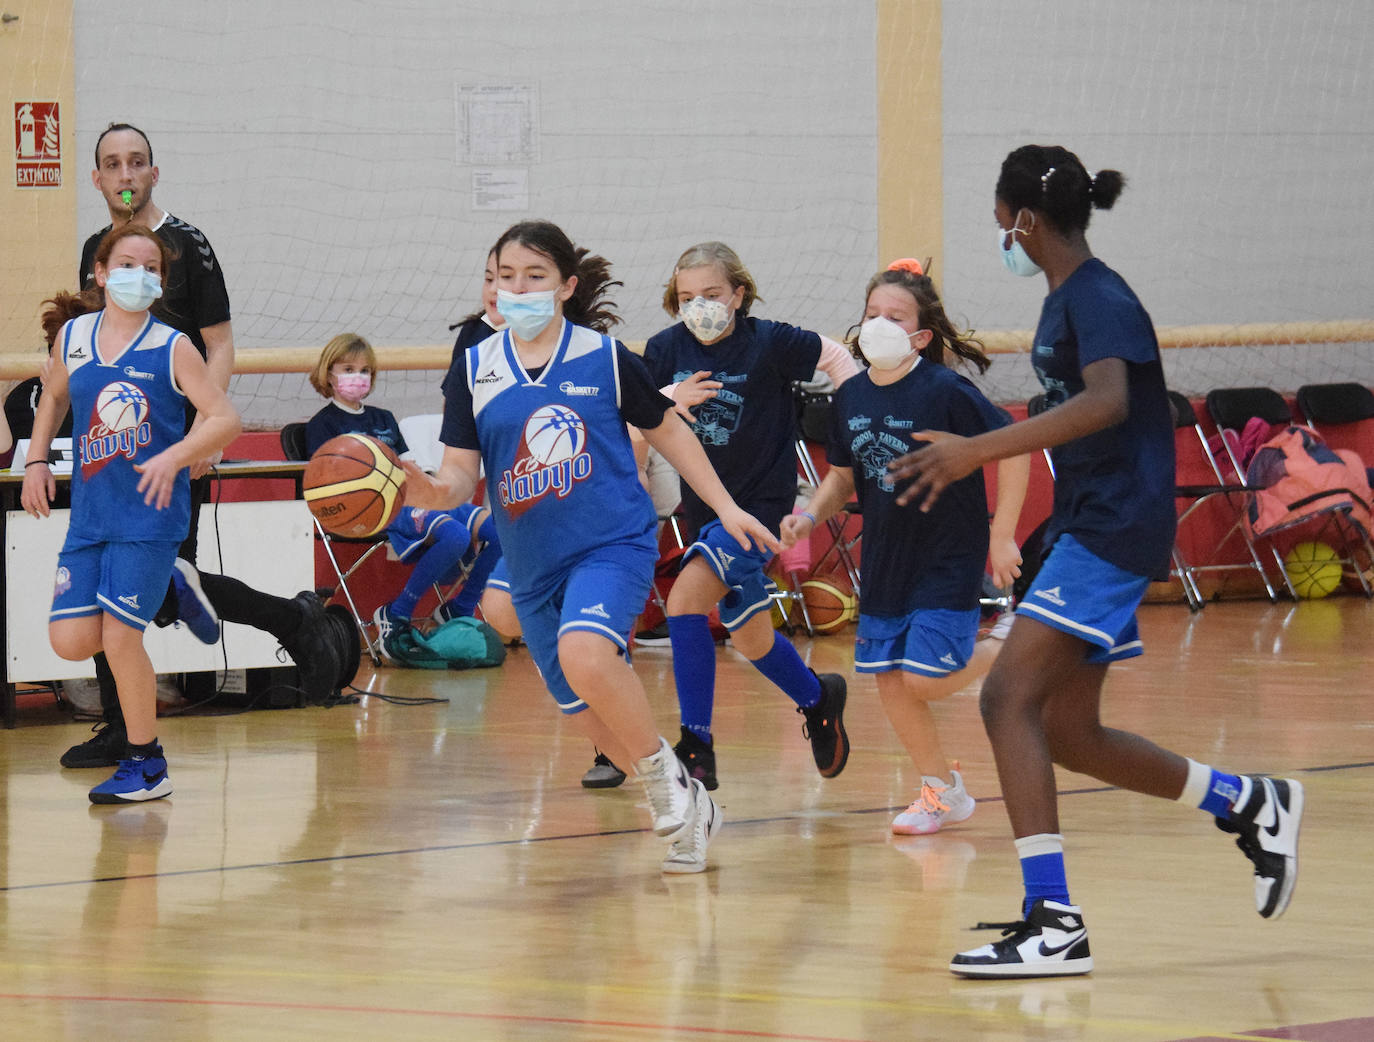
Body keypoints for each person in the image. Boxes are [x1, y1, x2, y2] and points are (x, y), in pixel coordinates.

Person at [887, 145, 1304, 978]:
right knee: (1070, 732)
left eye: (1001, 219)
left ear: (1026, 220)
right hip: (1086, 521)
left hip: (1113, 526)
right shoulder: (1067, 298)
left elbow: (1109, 403)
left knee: (1007, 700)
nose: (999, 232)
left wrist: (979, 451)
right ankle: (1250, 802)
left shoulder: (1100, 297)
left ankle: (1053, 923)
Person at [409, 220, 780, 873]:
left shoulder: (603, 358)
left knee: (586, 652)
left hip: (612, 541)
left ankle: (669, 784)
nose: (516, 290)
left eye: (534, 276)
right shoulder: (474, 366)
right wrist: (431, 492)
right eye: (503, 277)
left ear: (566, 285)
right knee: (590, 714)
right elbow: (461, 475)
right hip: (532, 564)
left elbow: (667, 430)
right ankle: (693, 802)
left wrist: (725, 507)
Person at [63, 123, 344, 771]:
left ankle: (292, 620)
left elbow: (220, 343)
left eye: (137, 162)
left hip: (177, 449)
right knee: (128, 586)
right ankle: (119, 727)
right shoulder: (93, 252)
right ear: (99, 179)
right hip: (116, 453)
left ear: (153, 174)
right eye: (112, 164)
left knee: (157, 589)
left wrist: (202, 434)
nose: (126, 174)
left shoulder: (188, 246)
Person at [780, 258, 1029, 836]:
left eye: (896, 316)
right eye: (872, 314)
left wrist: (1002, 533)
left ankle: (1009, 648)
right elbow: (842, 479)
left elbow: (1014, 449)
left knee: (921, 679)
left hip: (947, 554)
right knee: (890, 681)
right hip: (886, 558)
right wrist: (807, 517)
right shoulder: (850, 398)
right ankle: (942, 791)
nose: (879, 325)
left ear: (920, 334)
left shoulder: (945, 390)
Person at [22, 223, 242, 802]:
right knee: (70, 641)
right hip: (92, 517)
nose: (139, 276)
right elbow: (55, 398)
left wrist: (174, 456)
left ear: (162, 281)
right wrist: (37, 461)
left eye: (152, 268)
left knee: (121, 639)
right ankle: (171, 589)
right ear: (100, 272)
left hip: (151, 515)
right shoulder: (73, 336)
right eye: (127, 264)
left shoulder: (172, 345)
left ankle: (147, 765)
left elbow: (224, 419)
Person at [640, 241, 860, 790]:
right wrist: (670, 395)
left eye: (711, 294)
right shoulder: (665, 349)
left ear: (738, 294)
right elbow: (638, 420)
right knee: (751, 636)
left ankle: (696, 744)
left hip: (760, 511)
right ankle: (818, 698)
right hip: (705, 509)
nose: (700, 307)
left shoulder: (770, 342)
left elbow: (835, 357)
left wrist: (858, 412)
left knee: (687, 599)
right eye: (687, 297)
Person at [303, 332, 501, 660]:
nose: (358, 376)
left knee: (502, 532)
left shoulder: (383, 418)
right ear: (328, 373)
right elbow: (324, 489)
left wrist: (433, 486)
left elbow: (410, 464)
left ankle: (459, 608)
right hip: (377, 508)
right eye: (349, 368)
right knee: (454, 535)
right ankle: (396, 612)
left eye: (365, 370)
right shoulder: (321, 425)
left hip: (415, 497)